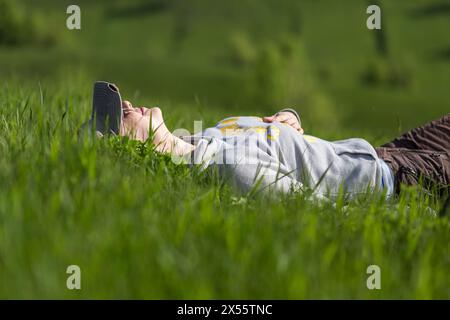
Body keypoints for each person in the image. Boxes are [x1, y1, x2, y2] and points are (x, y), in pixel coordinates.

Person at [92, 100, 449, 200]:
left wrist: (287, 117)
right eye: (119, 115)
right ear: (131, 146)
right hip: (395, 178)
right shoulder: (228, 170)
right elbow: (306, 204)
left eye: (118, 101)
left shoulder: (203, 137)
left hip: (379, 151)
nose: (127, 103)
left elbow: (274, 130)